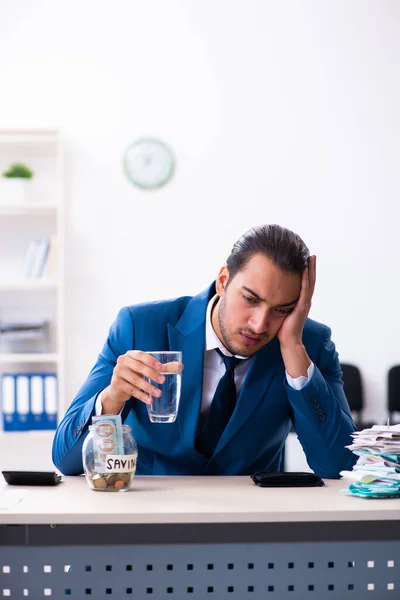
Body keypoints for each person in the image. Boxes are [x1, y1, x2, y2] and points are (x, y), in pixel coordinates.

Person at [52, 224, 357, 477]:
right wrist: (112, 398)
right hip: (148, 518)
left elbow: (339, 466)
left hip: (254, 525)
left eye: (282, 309)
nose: (260, 324)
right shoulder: (140, 327)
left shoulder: (308, 345)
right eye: (250, 299)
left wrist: (292, 347)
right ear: (223, 281)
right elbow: (65, 459)